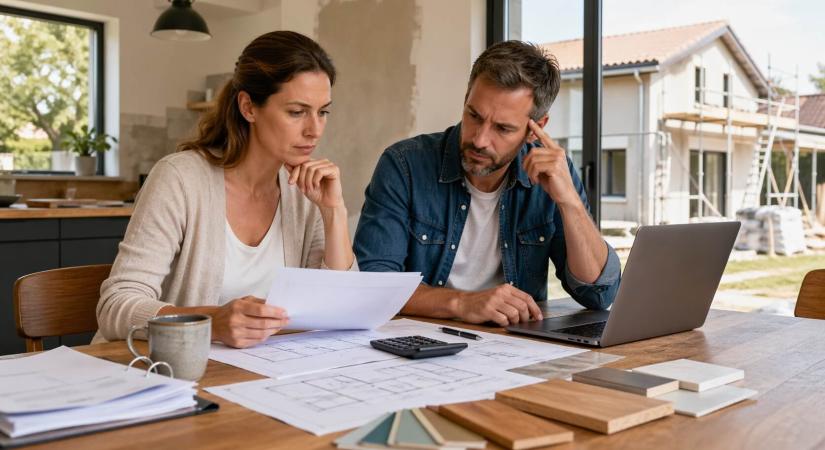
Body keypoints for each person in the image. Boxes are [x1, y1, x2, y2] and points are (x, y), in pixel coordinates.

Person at [96, 31, 355, 348]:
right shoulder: (180, 178)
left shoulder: (305, 195)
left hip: (254, 376)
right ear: (248, 107)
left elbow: (340, 308)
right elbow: (115, 306)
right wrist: (210, 322)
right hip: (161, 372)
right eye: (297, 112)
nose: (314, 129)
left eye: (323, 112)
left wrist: (334, 213)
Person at [354, 40, 621, 327]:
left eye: (503, 128)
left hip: (515, 346)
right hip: (421, 346)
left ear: (536, 128)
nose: (480, 139)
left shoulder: (552, 174)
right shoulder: (404, 165)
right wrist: (463, 303)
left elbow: (599, 294)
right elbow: (375, 288)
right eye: (474, 116)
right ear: (466, 99)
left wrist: (570, 203)